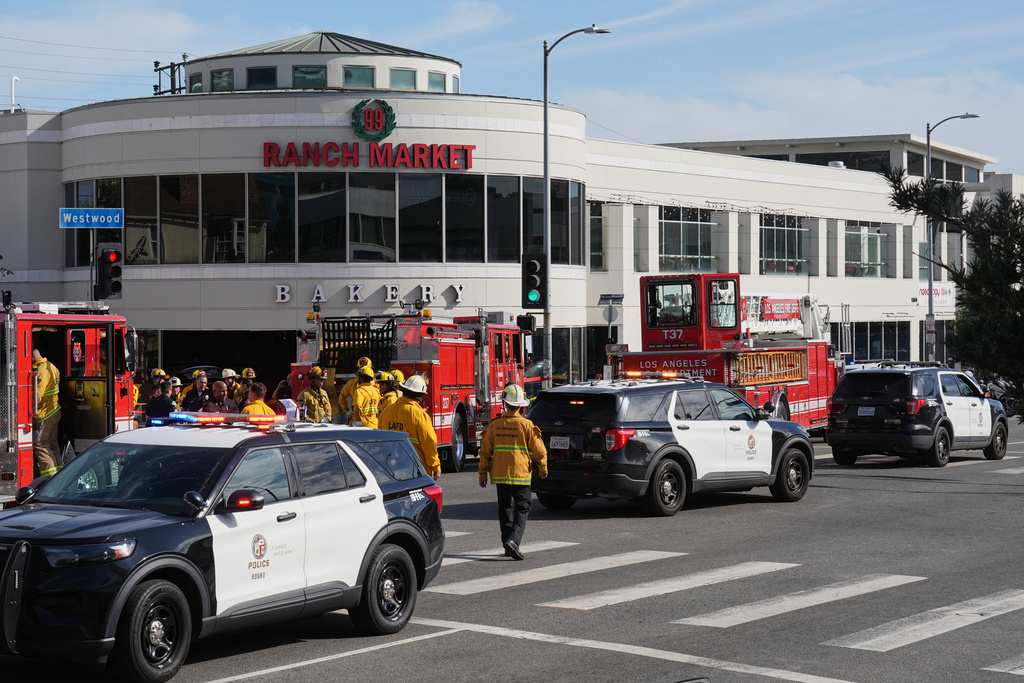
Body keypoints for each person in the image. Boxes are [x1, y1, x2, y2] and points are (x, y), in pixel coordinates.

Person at [478, 384, 547, 561]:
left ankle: (508, 545)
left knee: (505, 509)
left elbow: (485, 452)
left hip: (500, 475)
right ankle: (514, 541)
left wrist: (483, 474)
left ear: (505, 404)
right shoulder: (527, 425)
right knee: (523, 508)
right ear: (521, 406)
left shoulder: (495, 425)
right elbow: (539, 451)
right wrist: (543, 468)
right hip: (521, 475)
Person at [380, 374, 440, 480]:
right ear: (421, 395)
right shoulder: (419, 415)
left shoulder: (386, 412)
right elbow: (429, 442)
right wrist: (435, 466)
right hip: (416, 470)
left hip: (391, 469)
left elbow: (379, 440)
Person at [32, 347, 62, 477]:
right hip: (55, 412)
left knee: (41, 445)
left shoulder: (41, 371)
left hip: (46, 414)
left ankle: (49, 479)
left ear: (32, 358)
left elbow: (37, 396)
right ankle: (60, 476)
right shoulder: (52, 367)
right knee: (53, 445)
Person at [339, 356, 373, 421]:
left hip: (371, 419)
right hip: (355, 419)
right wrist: (346, 411)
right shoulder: (351, 384)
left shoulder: (376, 385)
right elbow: (342, 397)